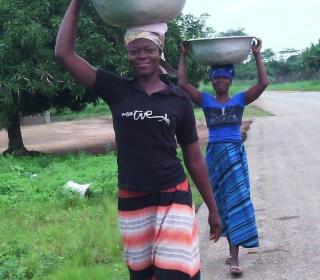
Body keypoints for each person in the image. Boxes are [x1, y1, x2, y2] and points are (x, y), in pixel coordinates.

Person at [55, 1, 222, 279]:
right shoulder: (117, 89)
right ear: (128, 54)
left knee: (175, 274)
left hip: (174, 196)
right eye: (135, 51)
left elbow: (193, 158)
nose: (142, 56)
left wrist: (213, 209)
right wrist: (77, 2)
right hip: (133, 199)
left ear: (160, 52)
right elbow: (64, 53)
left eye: (149, 50)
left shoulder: (178, 98)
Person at [178, 38, 268, 276]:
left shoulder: (240, 99)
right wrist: (183, 55)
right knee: (220, 203)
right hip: (215, 157)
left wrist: (257, 54)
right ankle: (231, 251)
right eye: (216, 78)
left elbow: (263, 82)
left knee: (236, 201)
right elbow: (183, 84)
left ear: (230, 80)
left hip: (235, 156)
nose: (220, 81)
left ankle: (235, 258)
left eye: (224, 78)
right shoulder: (206, 101)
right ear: (212, 80)